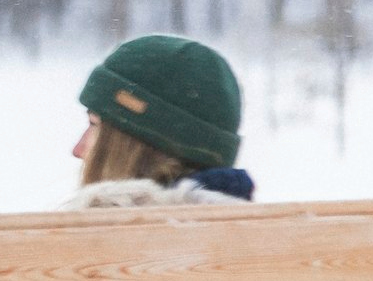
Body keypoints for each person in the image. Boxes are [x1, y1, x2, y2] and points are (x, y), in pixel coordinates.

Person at [63, 32, 255, 206]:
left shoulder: (106, 240)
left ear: (141, 150)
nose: (78, 150)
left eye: (94, 125)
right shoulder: (258, 239)